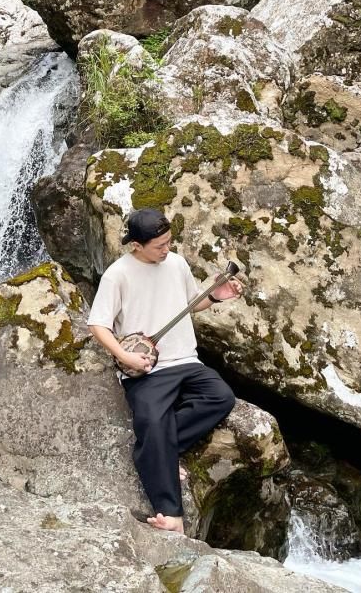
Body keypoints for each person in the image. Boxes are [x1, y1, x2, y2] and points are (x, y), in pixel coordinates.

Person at [87, 208, 242, 535]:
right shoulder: (118, 274)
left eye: (169, 242)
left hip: (185, 360)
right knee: (152, 418)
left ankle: (158, 451)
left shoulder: (177, 264)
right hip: (146, 368)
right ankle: (171, 515)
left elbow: (189, 302)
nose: (167, 249)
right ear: (137, 245)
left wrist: (215, 295)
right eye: (159, 245)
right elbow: (98, 324)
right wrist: (124, 358)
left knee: (220, 397)